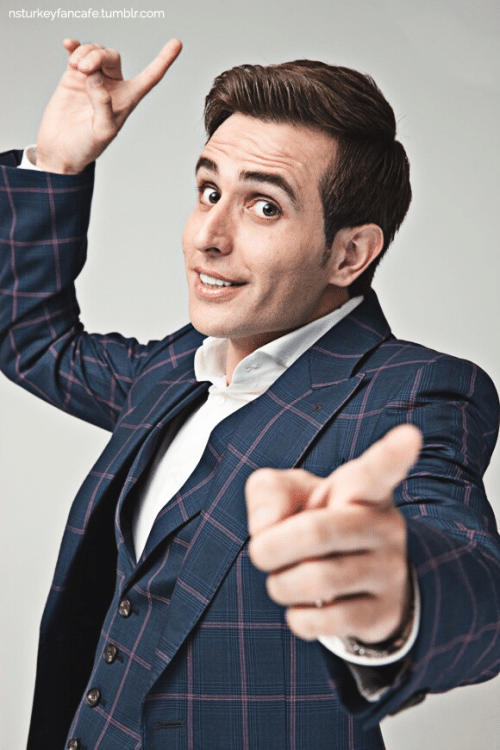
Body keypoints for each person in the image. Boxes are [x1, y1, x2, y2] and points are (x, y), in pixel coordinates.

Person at [1, 38, 499, 750]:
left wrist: (400, 593)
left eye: (263, 206)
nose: (208, 237)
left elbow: (477, 576)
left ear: (349, 253)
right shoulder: (175, 369)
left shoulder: (412, 392)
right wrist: (58, 163)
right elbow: (32, 340)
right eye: (209, 192)